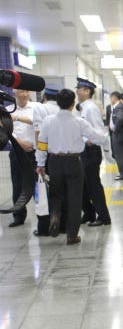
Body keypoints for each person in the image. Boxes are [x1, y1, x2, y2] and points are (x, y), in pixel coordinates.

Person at [35, 88, 109, 245]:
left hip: (54, 161)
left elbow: (41, 144)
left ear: (57, 102)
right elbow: (98, 137)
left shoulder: (48, 121)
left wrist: (40, 164)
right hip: (74, 162)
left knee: (56, 194)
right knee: (75, 198)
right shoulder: (79, 122)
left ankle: (55, 215)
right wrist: (105, 135)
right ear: (73, 103)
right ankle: (72, 235)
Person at [76, 78, 111, 226]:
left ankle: (103, 217)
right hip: (84, 151)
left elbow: (99, 131)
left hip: (91, 151)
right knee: (84, 184)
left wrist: (90, 139)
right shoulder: (83, 108)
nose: (77, 91)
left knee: (93, 185)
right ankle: (89, 213)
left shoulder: (90, 108)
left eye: (80, 89)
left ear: (87, 91)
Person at [31, 86, 60, 236]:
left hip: (47, 156)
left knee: (44, 192)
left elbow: (39, 134)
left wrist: (39, 160)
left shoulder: (40, 109)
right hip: (62, 156)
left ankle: (44, 227)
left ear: (45, 97)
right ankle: (62, 224)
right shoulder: (63, 110)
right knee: (62, 191)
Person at [7, 89, 36, 227]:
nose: (24, 95)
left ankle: (44, 215)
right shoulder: (7, 110)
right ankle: (18, 216)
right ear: (14, 93)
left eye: (26, 92)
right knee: (18, 185)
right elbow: (6, 131)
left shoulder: (37, 108)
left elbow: (37, 123)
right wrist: (20, 143)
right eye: (21, 92)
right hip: (17, 152)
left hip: (35, 152)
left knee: (40, 185)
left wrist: (18, 118)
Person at [109, 91, 123, 180]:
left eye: (110, 98)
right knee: (120, 154)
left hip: (119, 135)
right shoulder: (118, 107)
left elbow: (120, 118)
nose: (110, 100)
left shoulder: (119, 107)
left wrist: (115, 129)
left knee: (120, 154)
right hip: (118, 134)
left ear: (114, 98)